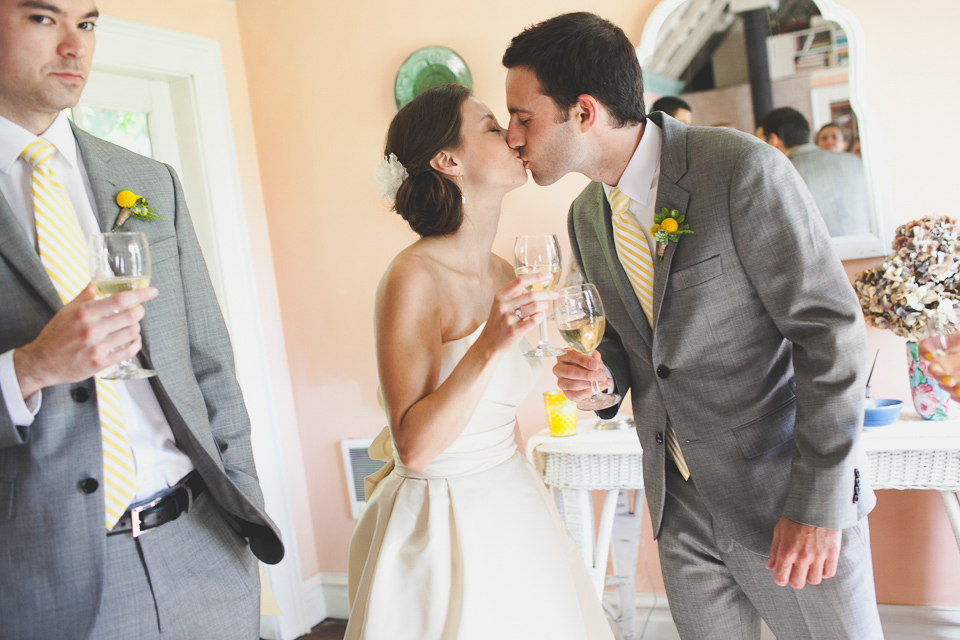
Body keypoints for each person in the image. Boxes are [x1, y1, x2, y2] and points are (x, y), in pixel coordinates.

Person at [503, 12, 882, 639]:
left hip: (785, 504)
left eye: (524, 117)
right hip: (677, 511)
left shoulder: (740, 170)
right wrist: (603, 383)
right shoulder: (585, 218)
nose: (514, 137)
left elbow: (830, 334)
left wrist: (819, 508)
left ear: (585, 112)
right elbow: (634, 348)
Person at [0, 1, 283, 638]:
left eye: (89, 23)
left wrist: (242, 505)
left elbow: (209, 360)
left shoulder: (148, 180)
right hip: (42, 581)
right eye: (44, 19)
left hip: (204, 544)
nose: (76, 46)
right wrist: (29, 368)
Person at [345, 84, 613, 640]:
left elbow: (499, 413)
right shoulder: (411, 278)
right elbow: (413, 448)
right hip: (441, 523)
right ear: (448, 161)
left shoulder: (505, 274)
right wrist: (491, 343)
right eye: (493, 128)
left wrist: (582, 377)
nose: (514, 137)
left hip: (514, 507)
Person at [757, 107, 871, 237]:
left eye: (761, 141)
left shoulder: (777, 175)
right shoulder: (855, 162)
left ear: (774, 140)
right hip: (869, 250)